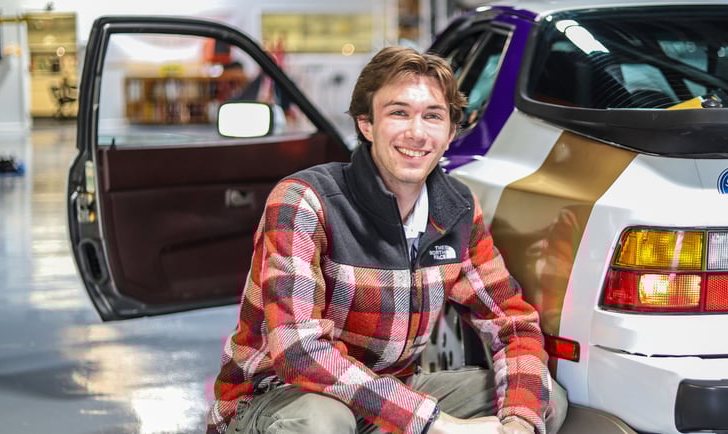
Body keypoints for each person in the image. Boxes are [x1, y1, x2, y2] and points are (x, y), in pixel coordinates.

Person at [206, 46, 568, 434]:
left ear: (449, 133)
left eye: (433, 116)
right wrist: (434, 423)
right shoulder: (305, 200)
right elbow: (299, 352)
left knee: (544, 397)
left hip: (388, 397)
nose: (417, 132)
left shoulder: (457, 210)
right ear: (366, 124)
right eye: (399, 112)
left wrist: (518, 422)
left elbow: (511, 322)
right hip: (277, 396)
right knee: (320, 422)